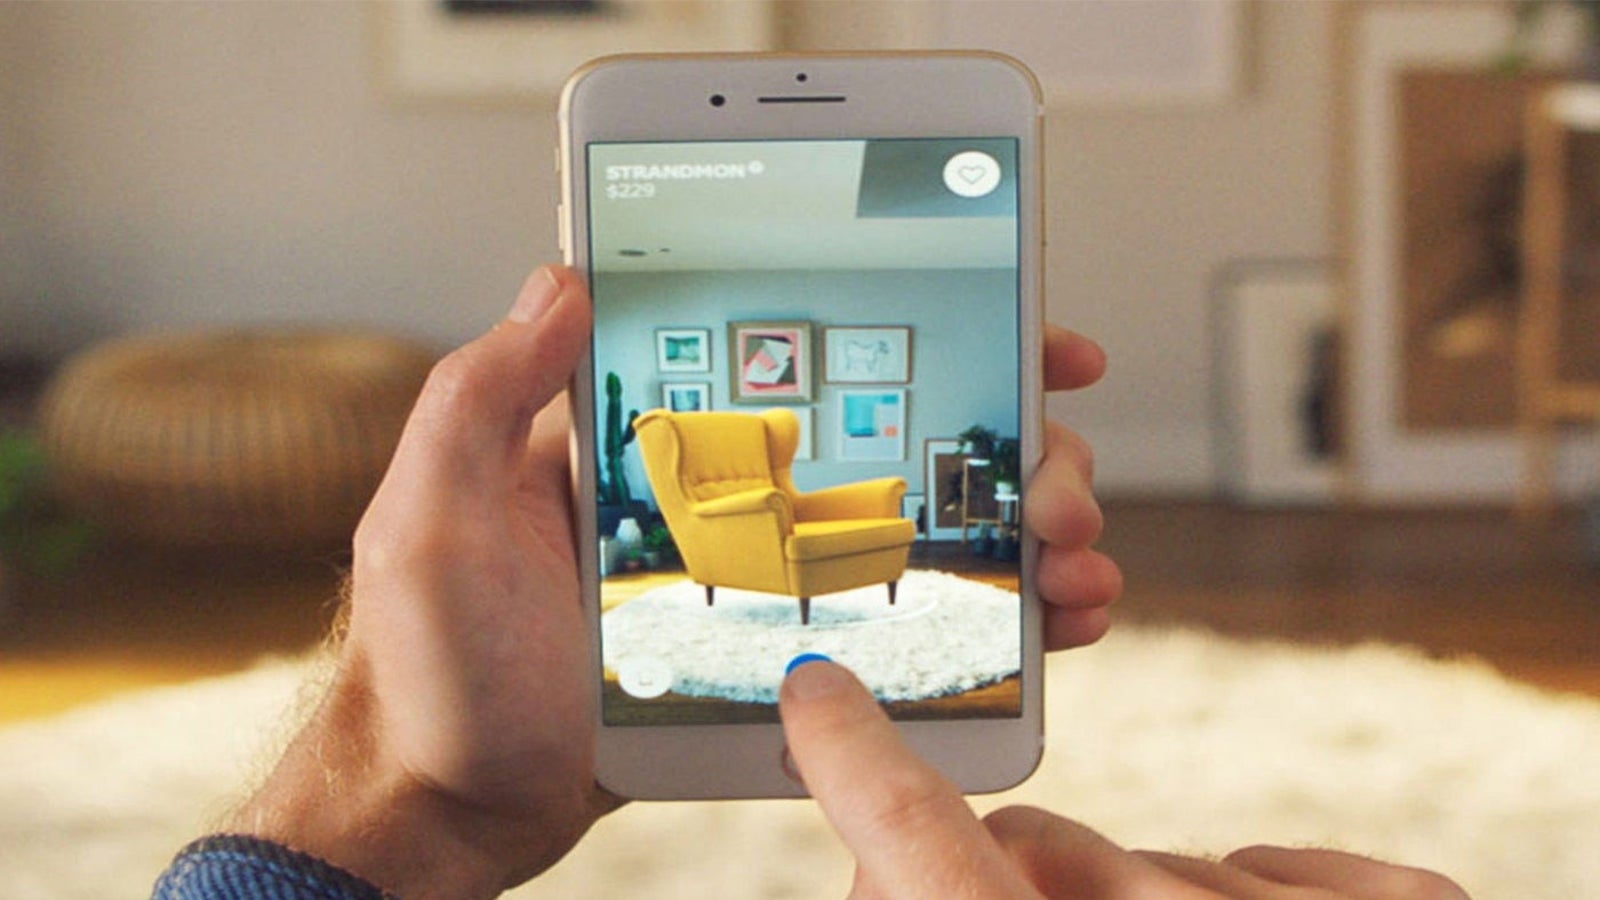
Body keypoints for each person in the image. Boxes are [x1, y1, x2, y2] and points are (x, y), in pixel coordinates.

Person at [153, 266, 1466, 899]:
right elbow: (730, 507)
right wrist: (418, 791)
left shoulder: (768, 475)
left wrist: (414, 806)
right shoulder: (698, 476)